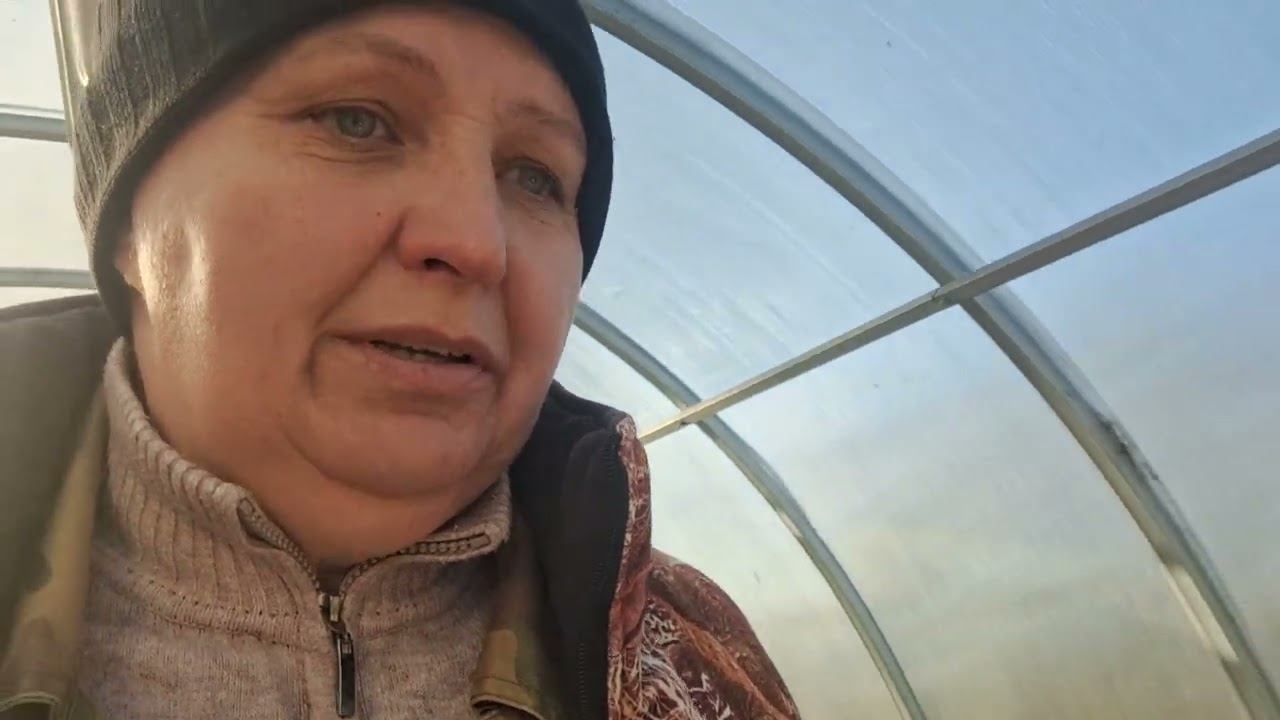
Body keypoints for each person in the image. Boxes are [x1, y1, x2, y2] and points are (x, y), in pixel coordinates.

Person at [0, 1, 799, 718]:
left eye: (535, 177)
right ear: (129, 227)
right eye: (356, 121)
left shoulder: (693, 655)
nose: (475, 243)